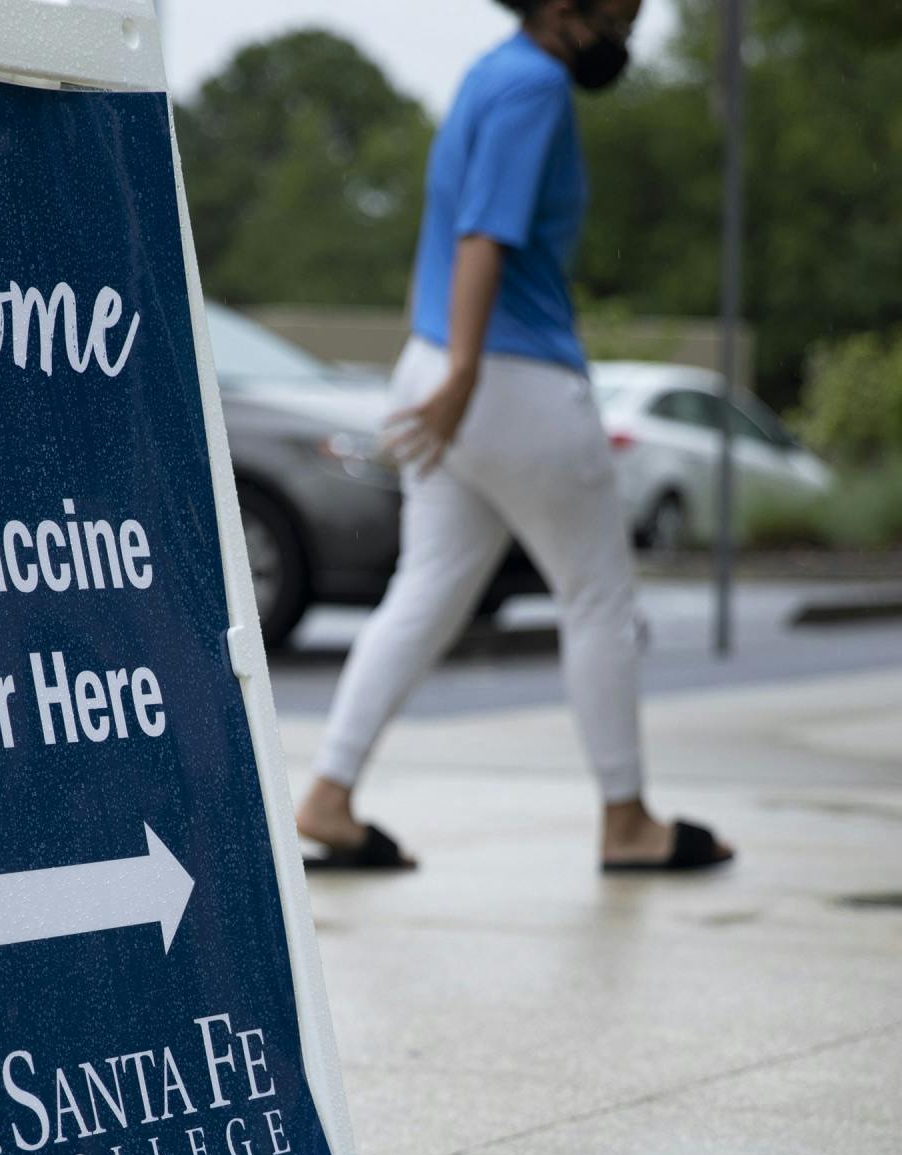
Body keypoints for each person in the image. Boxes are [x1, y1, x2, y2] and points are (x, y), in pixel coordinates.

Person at [294, 0, 734, 873]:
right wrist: (464, 375)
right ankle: (627, 821)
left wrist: (450, 372)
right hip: (505, 374)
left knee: (425, 590)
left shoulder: (490, 71)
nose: (632, 25)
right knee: (599, 596)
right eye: (622, 10)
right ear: (566, 8)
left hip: (438, 361)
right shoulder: (535, 87)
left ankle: (330, 794)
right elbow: (482, 238)